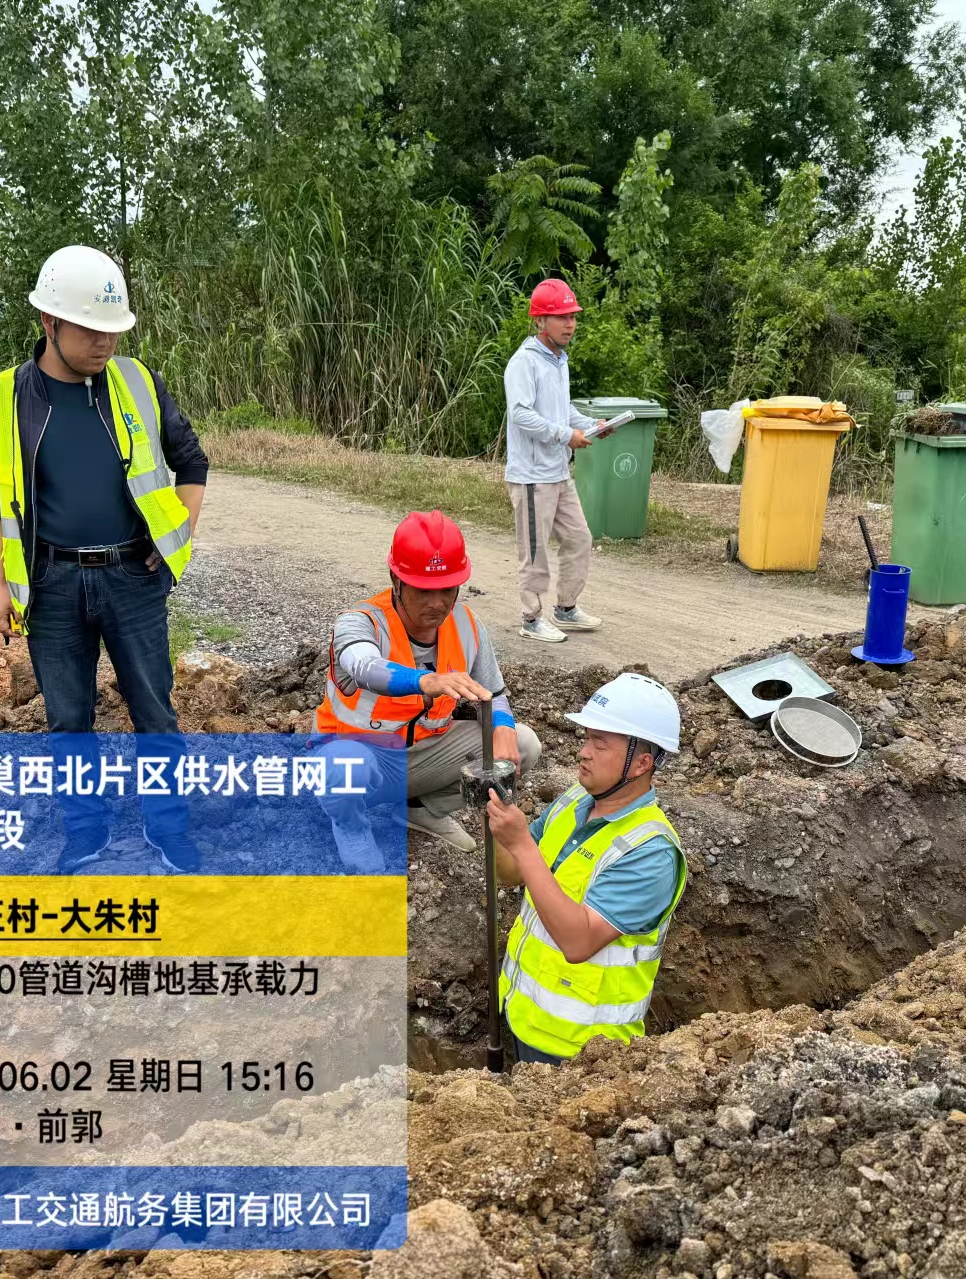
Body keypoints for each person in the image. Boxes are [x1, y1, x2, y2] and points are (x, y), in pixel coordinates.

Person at [0, 244, 209, 873]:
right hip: (51, 584)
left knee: (154, 710)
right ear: (49, 322)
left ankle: (168, 828)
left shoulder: (137, 384)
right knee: (68, 719)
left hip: (133, 579)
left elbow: (191, 462)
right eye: (90, 329)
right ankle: (85, 831)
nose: (105, 342)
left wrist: (173, 539)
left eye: (113, 330)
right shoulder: (3, 401)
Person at [315, 511, 542, 863]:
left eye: (447, 589)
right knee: (341, 765)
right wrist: (426, 680)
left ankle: (421, 809)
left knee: (523, 743)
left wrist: (502, 726)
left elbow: (494, 695)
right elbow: (364, 667)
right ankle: (351, 827)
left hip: (427, 757)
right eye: (423, 591)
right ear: (396, 579)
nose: (437, 603)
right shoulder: (361, 622)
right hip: (362, 759)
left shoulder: (466, 625)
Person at [485, 672, 685, 1065]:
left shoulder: (651, 852)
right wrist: (494, 819)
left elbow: (578, 942)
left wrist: (522, 843)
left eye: (600, 743)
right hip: (524, 1014)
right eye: (586, 738)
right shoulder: (574, 801)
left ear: (641, 763)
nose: (583, 752)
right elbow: (511, 875)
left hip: (583, 1053)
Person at [503, 278, 606, 644]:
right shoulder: (525, 362)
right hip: (532, 476)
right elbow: (520, 414)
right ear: (540, 321)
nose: (570, 324)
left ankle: (566, 608)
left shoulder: (559, 360)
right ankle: (531, 619)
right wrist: (566, 435)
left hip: (559, 472)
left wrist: (591, 426)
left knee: (580, 538)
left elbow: (562, 412)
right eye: (561, 317)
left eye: (572, 317)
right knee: (535, 551)